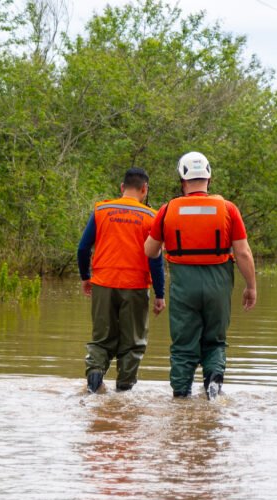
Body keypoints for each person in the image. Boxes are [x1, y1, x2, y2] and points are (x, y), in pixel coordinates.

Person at [143, 151, 256, 398]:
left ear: (182, 180)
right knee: (215, 341)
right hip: (219, 283)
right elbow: (244, 253)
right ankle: (214, 382)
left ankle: (181, 397)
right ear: (209, 178)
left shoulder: (167, 209)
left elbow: (150, 251)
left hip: (184, 285)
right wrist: (251, 286)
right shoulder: (228, 209)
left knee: (183, 346)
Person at [78, 167, 165, 393]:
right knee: (133, 343)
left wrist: (85, 277)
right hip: (135, 286)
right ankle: (124, 393)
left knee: (101, 340)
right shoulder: (151, 217)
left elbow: (83, 247)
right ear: (144, 189)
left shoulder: (101, 209)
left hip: (103, 283)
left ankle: (94, 382)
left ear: (122, 187)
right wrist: (160, 293)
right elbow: (155, 259)